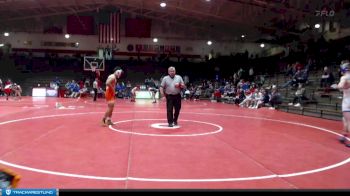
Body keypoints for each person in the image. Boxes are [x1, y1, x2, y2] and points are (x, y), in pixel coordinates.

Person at [336, 61, 350, 147]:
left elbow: (340, 86)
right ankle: (343, 135)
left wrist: (338, 86)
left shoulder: (344, 77)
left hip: (347, 102)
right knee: (344, 119)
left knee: (348, 121)